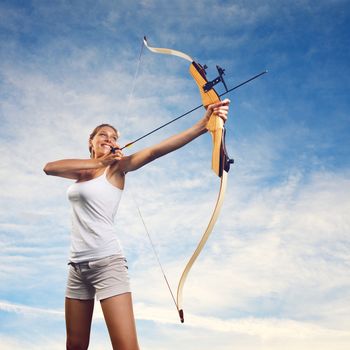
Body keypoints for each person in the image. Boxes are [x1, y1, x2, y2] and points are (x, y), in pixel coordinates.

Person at [43, 98, 230, 350]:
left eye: (113, 137)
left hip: (107, 263)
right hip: (76, 268)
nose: (109, 139)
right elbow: (49, 168)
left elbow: (155, 151)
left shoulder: (118, 168)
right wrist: (100, 162)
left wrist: (202, 125)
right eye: (103, 135)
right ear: (91, 141)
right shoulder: (83, 171)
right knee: (74, 346)